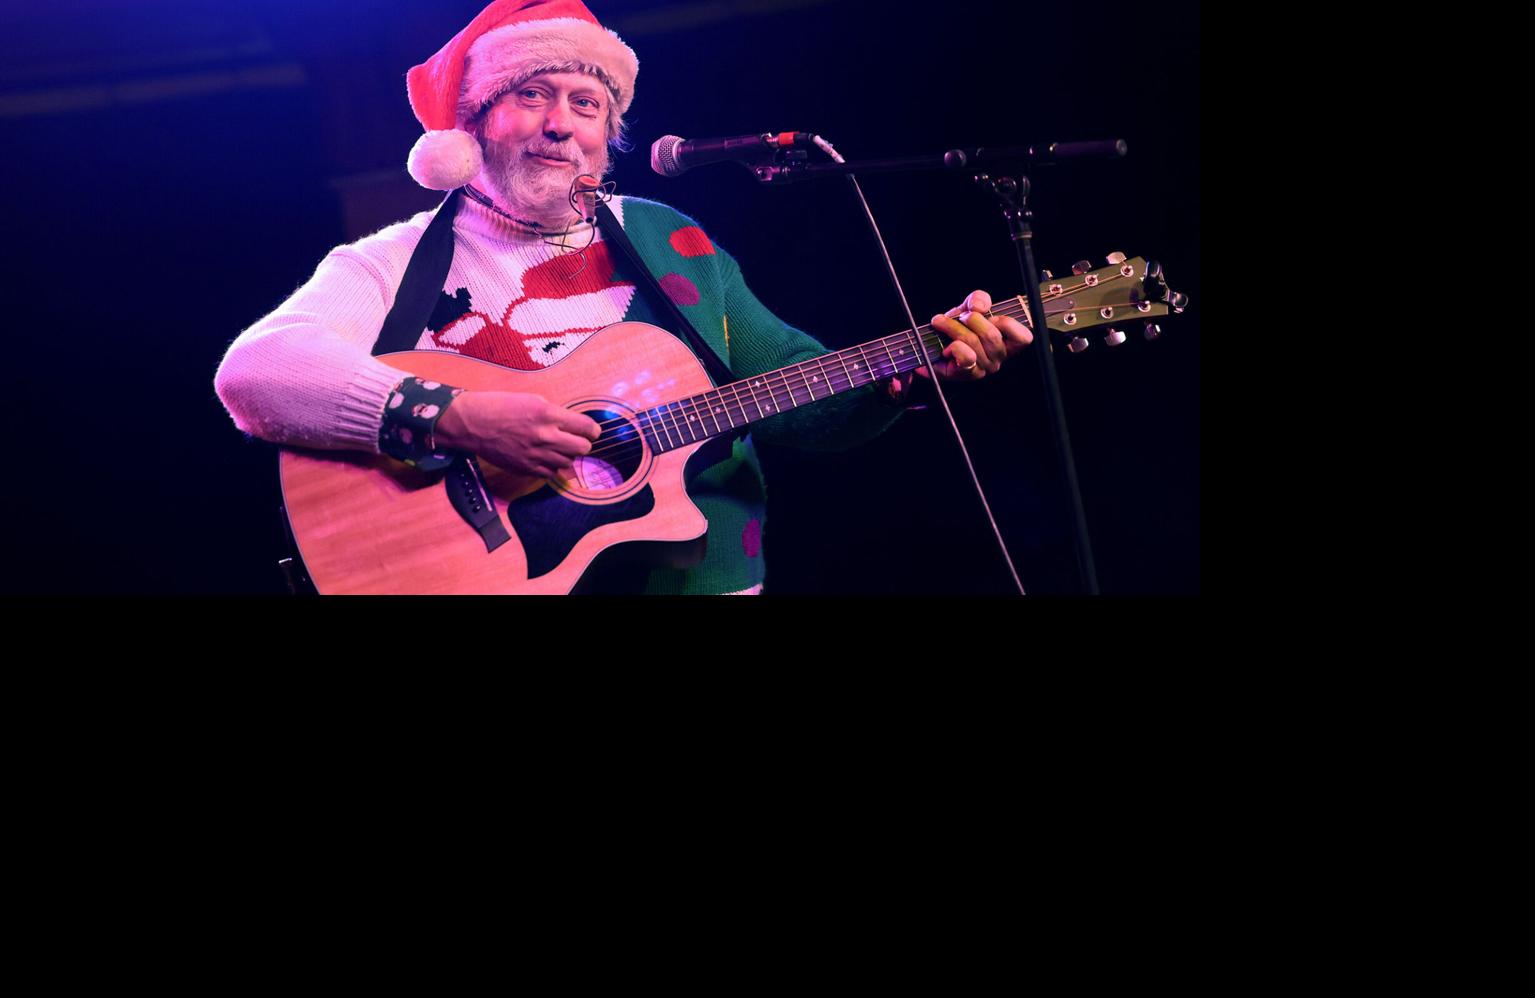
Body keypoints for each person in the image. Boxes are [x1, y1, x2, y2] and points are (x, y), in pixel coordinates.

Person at [214, 0, 1032, 594]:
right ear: (472, 126)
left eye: (586, 104)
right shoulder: (387, 261)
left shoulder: (667, 237)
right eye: (530, 95)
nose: (560, 124)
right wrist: (460, 418)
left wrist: (908, 375)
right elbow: (256, 374)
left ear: (608, 136)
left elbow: (797, 395)